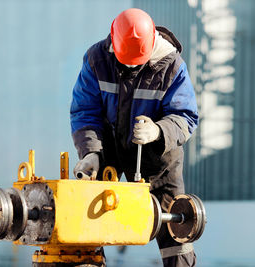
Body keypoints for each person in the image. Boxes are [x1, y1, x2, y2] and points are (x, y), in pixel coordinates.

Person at [70, 8, 198, 267]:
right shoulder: (97, 59)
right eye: (125, 60)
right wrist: (91, 152)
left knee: (175, 233)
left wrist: (158, 131)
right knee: (87, 219)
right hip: (108, 151)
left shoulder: (172, 67)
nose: (130, 65)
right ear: (113, 42)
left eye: (136, 61)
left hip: (159, 159)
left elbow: (186, 117)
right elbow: (85, 110)